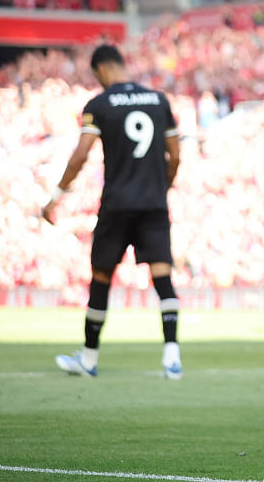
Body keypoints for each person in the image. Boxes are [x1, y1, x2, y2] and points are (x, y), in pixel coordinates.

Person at [43, 44, 183, 380]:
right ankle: (172, 358)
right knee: (162, 277)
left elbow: (80, 156)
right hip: (153, 204)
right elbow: (175, 156)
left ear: (101, 70)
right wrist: (163, 187)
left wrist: (56, 196)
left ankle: (89, 360)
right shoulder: (159, 101)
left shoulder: (100, 104)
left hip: (118, 204)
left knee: (102, 279)